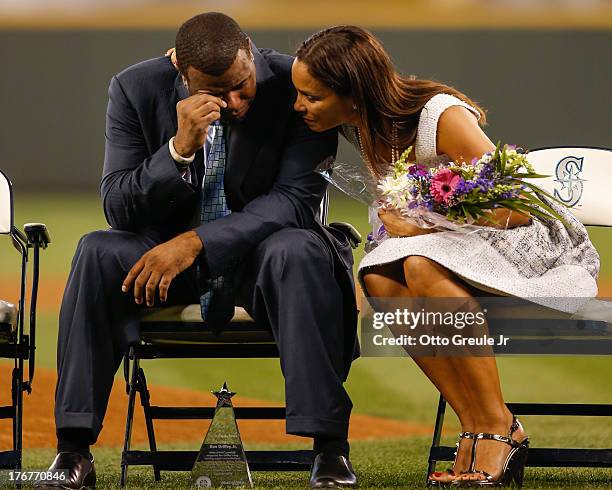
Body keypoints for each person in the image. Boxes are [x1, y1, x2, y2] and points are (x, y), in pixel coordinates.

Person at [36, 13, 359, 489]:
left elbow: (295, 201)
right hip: (164, 259)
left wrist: (196, 243)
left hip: (264, 257)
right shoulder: (135, 87)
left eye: (241, 85)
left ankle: (329, 451)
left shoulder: (296, 83)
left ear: (250, 51)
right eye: (215, 92)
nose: (233, 102)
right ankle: (73, 452)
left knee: (297, 249)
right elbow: (118, 208)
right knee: (96, 252)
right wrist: (178, 150)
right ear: (181, 73)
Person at [291, 26, 600, 487]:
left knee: (417, 263)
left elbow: (516, 207)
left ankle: (497, 425)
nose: (299, 106)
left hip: (528, 243)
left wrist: (424, 222)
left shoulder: (441, 117)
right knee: (376, 274)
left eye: (311, 97)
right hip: (452, 243)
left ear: (353, 93)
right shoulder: (360, 127)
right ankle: (476, 423)